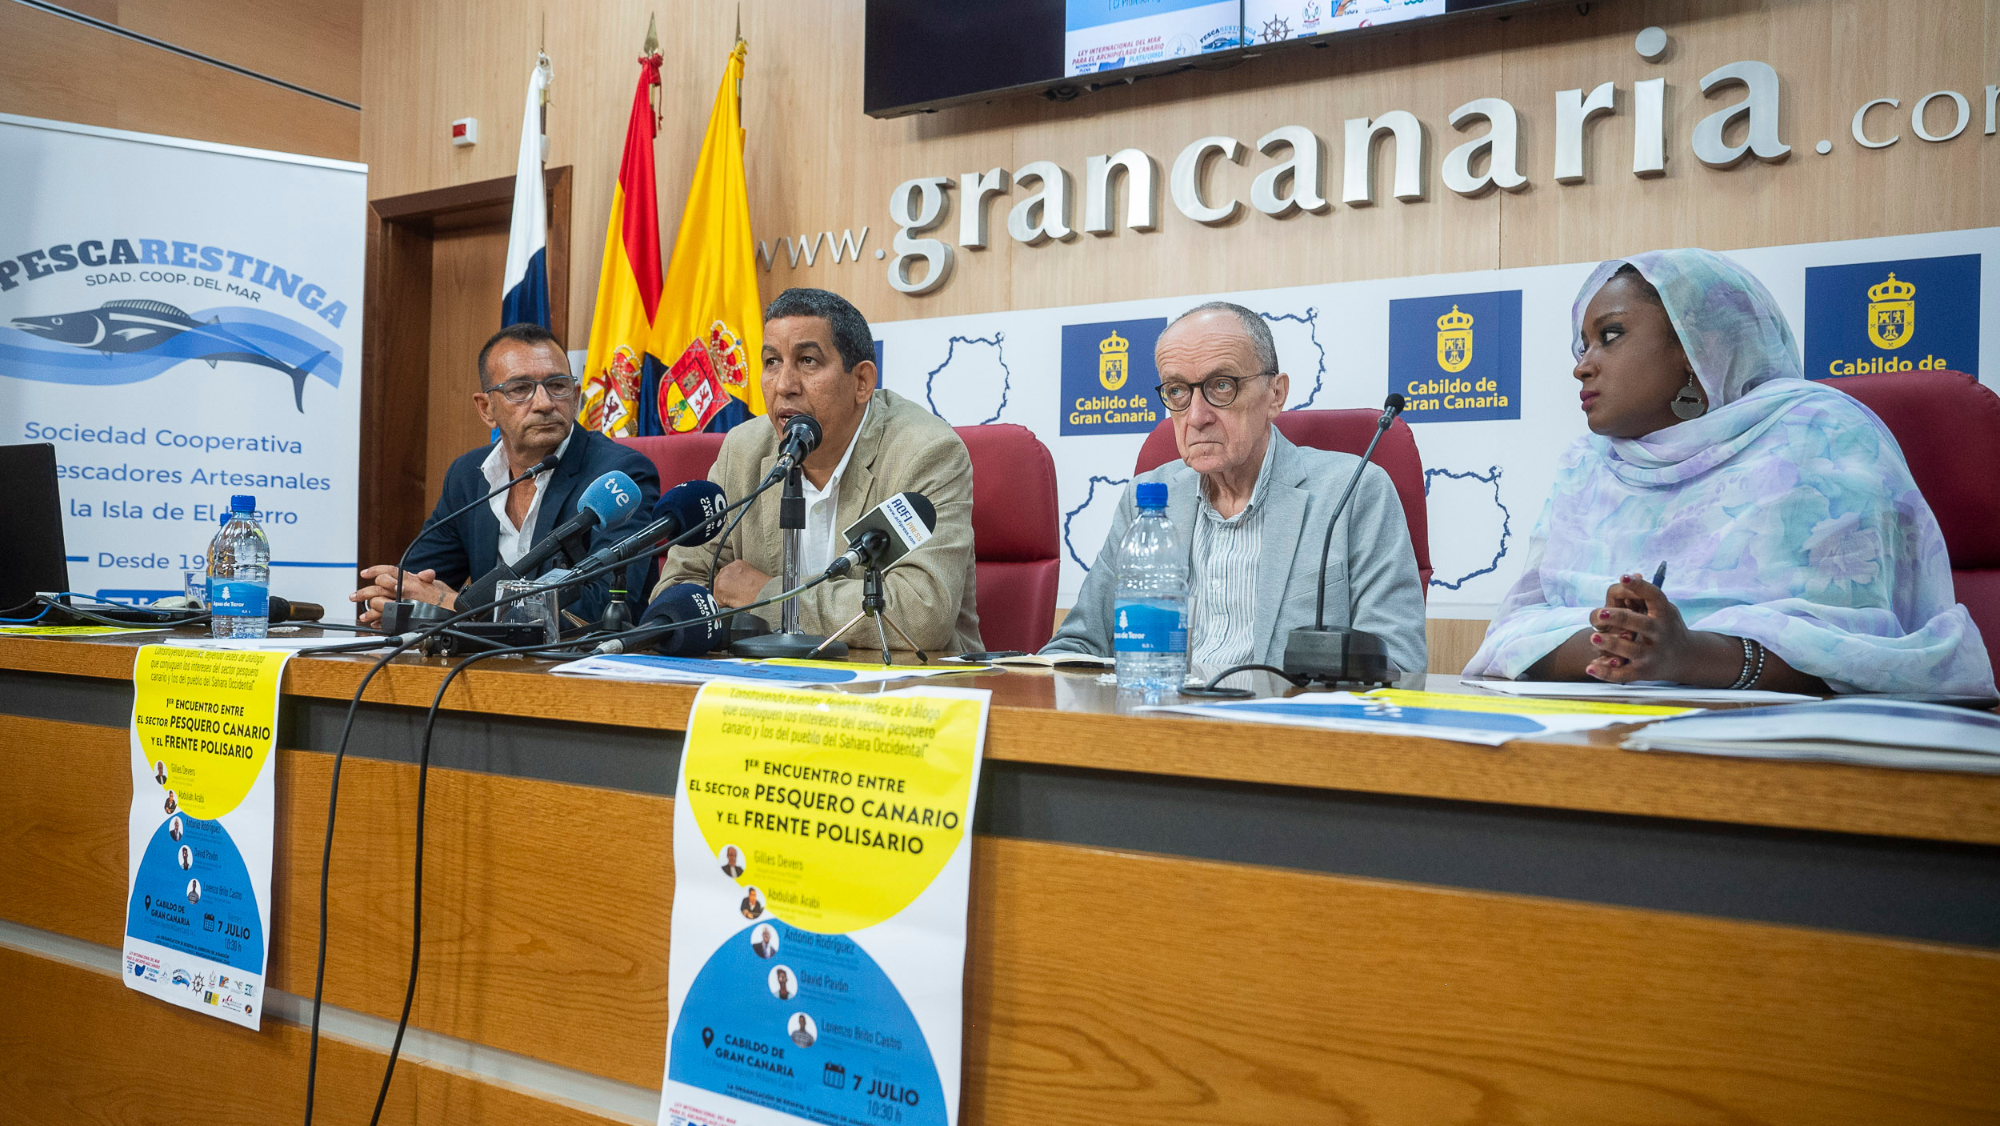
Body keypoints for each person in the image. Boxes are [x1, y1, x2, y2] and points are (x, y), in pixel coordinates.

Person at [1464, 249, 1995, 695]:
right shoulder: (1586, 465)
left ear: (1699, 348)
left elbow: (1873, 650)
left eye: (1612, 335)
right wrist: (1623, 640)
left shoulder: (1821, 434)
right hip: (1592, 739)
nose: (1583, 364)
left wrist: (1693, 655)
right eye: (1584, 345)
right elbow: (1510, 639)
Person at [1044, 302, 1427, 677]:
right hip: (1157, 725)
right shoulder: (1146, 499)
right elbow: (1077, 645)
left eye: (1221, 386)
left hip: (1285, 731)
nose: (1196, 417)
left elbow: (1400, 665)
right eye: (1177, 391)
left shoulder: (1354, 493)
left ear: (1275, 394)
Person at [651, 288, 982, 655]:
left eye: (807, 361)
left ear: (862, 382)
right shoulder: (743, 451)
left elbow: (922, 613)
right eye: (772, 361)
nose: (783, 385)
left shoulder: (925, 452)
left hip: (902, 687)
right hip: (765, 684)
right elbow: (679, 588)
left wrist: (766, 596)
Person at [350, 323, 661, 627]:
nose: (544, 403)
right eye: (520, 389)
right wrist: (395, 598)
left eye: (557, 385)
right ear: (487, 409)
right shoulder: (468, 477)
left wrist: (458, 607)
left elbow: (606, 606)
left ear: (575, 396)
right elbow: (420, 582)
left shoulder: (617, 476)